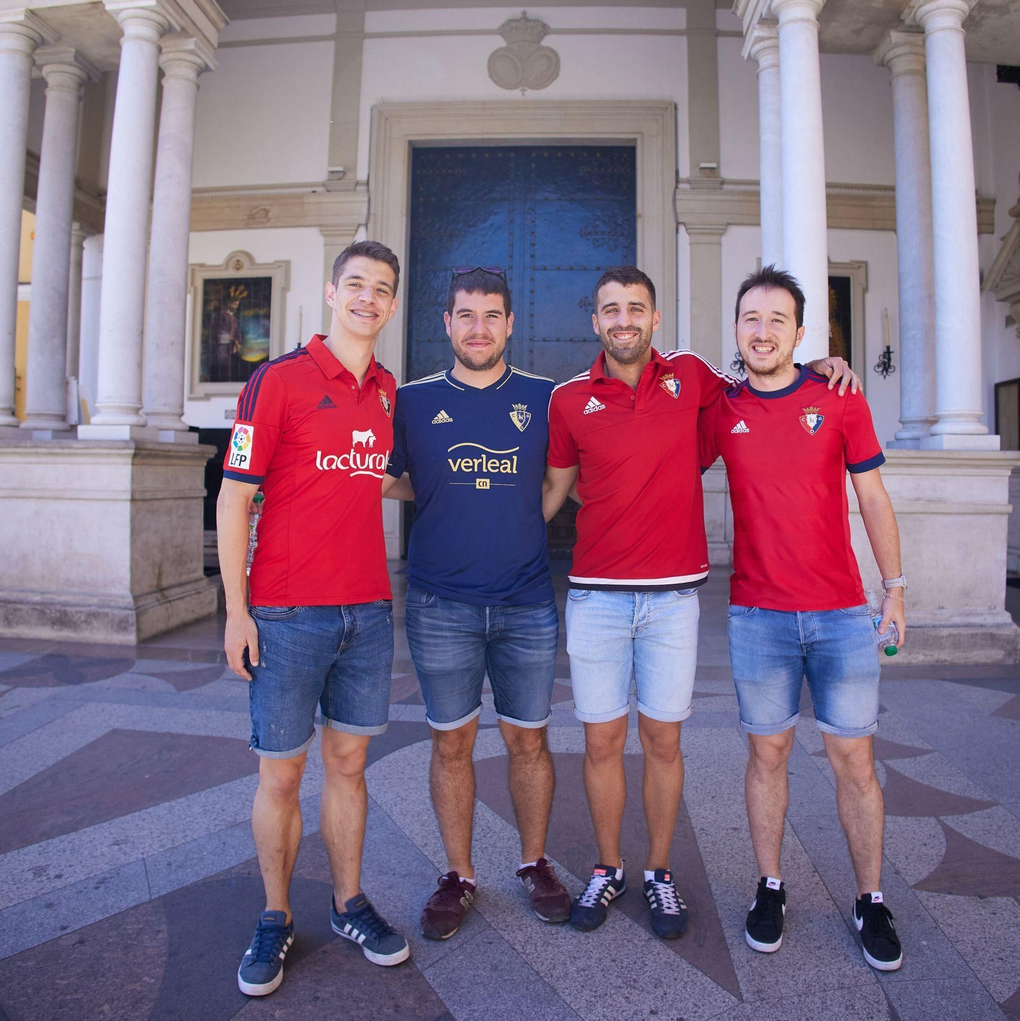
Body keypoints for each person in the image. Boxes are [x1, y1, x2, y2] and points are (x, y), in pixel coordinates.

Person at [541, 265, 859, 939]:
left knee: (663, 741)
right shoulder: (568, 400)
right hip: (596, 596)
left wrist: (824, 362)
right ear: (594, 322)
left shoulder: (692, 378)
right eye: (610, 310)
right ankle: (607, 867)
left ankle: (657, 872)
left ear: (656, 319)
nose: (623, 319)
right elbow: (559, 486)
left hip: (672, 599)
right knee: (600, 743)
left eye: (636, 307)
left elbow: (766, 376)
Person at [700, 266, 907, 971]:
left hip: (843, 616)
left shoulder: (840, 398)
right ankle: (770, 886)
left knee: (855, 759)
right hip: (758, 616)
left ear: (800, 331)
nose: (762, 331)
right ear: (737, 329)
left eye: (777, 320)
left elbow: (874, 499)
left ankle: (871, 898)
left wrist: (896, 590)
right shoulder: (720, 410)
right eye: (751, 318)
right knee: (769, 754)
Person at [219, 240, 411, 998]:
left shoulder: (390, 390)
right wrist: (237, 612)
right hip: (288, 613)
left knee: (350, 767)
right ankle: (273, 916)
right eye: (356, 284)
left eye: (382, 288)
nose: (368, 297)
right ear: (332, 293)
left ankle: (349, 903)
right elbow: (236, 496)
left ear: (392, 305)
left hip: (366, 610)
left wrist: (464, 490)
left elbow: (377, 477)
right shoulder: (278, 382)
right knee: (281, 772)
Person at [380, 266, 570, 940]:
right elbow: (389, 478)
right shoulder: (411, 400)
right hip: (440, 605)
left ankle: (533, 862)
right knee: (452, 742)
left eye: (492, 315)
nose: (479, 327)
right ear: (447, 323)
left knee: (528, 741)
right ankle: (458, 875)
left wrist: (525, 520)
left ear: (510, 323)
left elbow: (558, 478)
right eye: (466, 315)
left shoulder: (545, 398)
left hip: (524, 604)